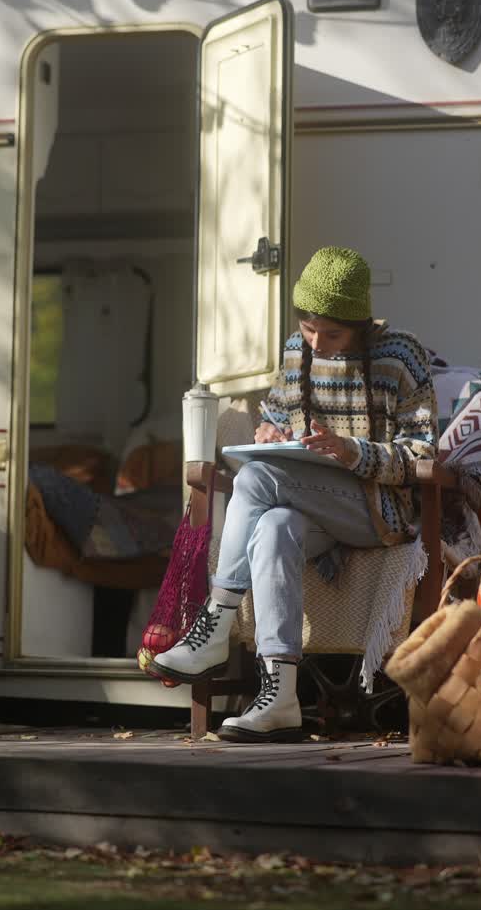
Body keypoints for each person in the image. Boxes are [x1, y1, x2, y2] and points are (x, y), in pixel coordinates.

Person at [148, 246, 438, 742]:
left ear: (362, 324)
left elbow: (421, 454)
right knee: (275, 526)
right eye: (308, 328)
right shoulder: (294, 351)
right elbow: (280, 417)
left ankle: (214, 624)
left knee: (256, 480)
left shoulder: (400, 355)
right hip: (310, 504)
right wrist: (268, 433)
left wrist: (351, 451)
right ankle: (280, 696)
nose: (317, 342)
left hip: (376, 510)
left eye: (333, 333)